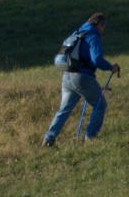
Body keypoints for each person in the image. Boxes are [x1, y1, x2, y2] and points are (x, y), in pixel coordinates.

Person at [42, 13, 121, 146]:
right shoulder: (93, 35)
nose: (103, 30)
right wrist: (110, 67)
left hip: (67, 75)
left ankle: (48, 139)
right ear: (100, 24)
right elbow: (97, 59)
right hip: (82, 76)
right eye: (103, 27)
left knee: (63, 110)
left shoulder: (78, 32)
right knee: (100, 105)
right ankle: (90, 137)